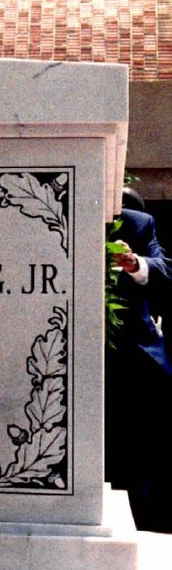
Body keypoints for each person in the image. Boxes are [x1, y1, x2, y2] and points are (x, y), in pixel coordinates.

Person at [104, 204, 172, 533]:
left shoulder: (138, 224)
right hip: (79, 355)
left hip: (134, 353)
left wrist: (134, 264)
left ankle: (150, 523)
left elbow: (163, 267)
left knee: (145, 449)